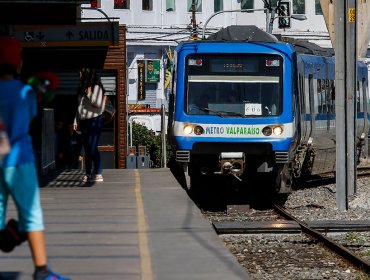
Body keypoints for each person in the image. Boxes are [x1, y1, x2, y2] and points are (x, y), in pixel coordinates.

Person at [0, 36, 70, 280]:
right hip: (19, 160)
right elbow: (31, 115)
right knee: (31, 214)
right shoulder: (25, 91)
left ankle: (9, 233)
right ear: (18, 64)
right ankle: (41, 271)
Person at [73, 68, 105, 182]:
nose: (79, 76)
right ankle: (88, 173)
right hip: (84, 121)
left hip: (95, 119)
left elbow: (98, 104)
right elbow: (79, 107)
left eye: (80, 73)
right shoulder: (81, 90)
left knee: (92, 147)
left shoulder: (97, 88)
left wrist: (90, 94)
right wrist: (76, 121)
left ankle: (98, 172)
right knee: (87, 148)